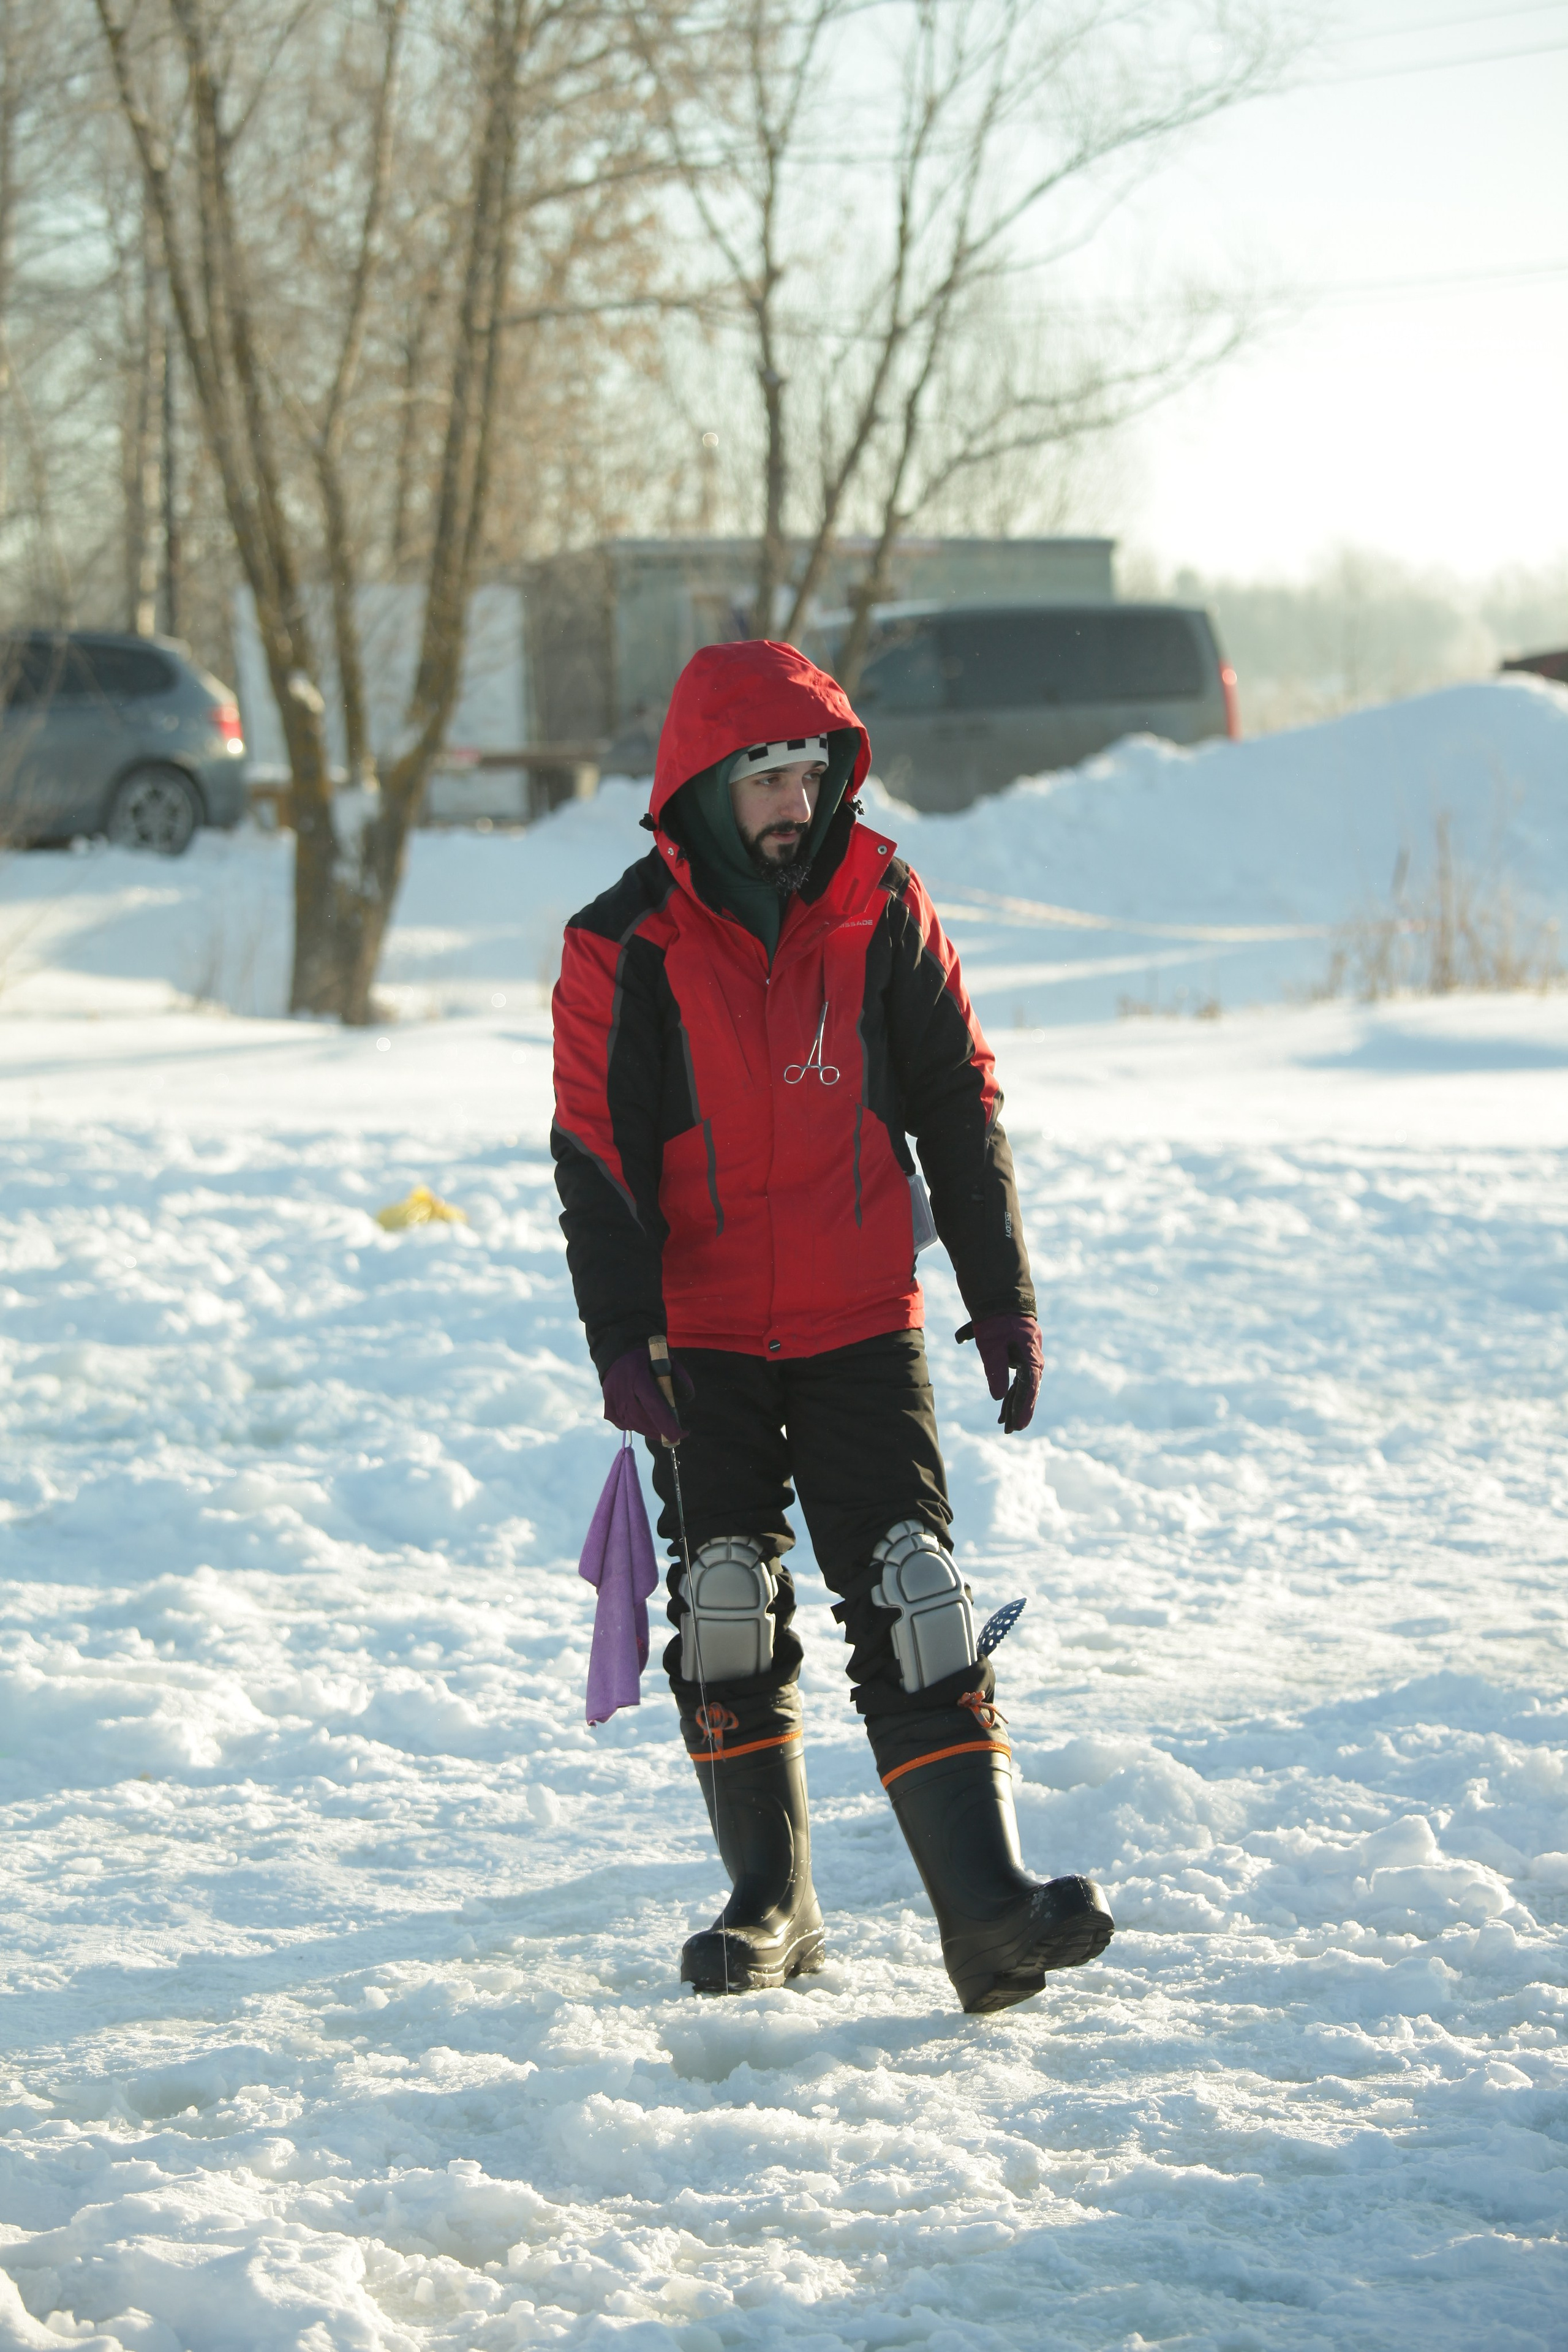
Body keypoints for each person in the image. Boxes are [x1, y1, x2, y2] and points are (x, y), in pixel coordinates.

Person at [551, 637, 1113, 2013]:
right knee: (723, 1604)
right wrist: (623, 1338)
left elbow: (957, 1096)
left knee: (918, 1598)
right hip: (703, 1339)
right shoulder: (621, 942)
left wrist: (1000, 1292)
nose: (796, 804)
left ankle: (987, 1916)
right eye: (766, 779)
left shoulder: (882, 901)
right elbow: (595, 1152)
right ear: (702, 785)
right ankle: (773, 1903)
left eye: (811, 774)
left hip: (859, 1317)